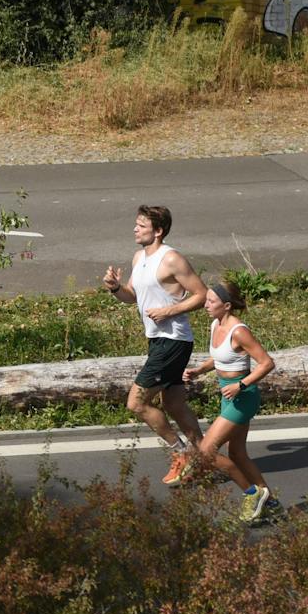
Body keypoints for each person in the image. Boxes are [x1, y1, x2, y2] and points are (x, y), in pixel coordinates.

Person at [102, 205, 207, 481]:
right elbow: (132, 296)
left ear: (158, 231)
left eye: (141, 225)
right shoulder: (139, 257)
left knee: (136, 403)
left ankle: (181, 453)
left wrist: (169, 311)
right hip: (157, 340)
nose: (135, 229)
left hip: (173, 340)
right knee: (174, 405)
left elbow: (202, 295)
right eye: (136, 224)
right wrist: (116, 288)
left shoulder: (171, 259)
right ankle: (204, 456)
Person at [182, 278, 281, 522]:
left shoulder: (239, 331)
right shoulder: (216, 324)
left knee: (206, 452)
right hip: (229, 396)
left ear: (226, 306)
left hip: (243, 397)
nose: (206, 305)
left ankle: (252, 494)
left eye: (211, 301)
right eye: (206, 300)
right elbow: (220, 357)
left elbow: (267, 363)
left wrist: (240, 385)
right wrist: (199, 370)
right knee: (237, 453)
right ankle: (272, 503)